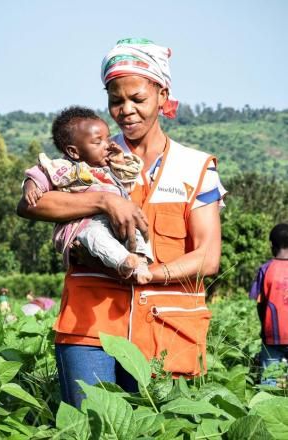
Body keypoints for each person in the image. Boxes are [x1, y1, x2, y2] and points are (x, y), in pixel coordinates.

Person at [17, 37, 225, 408]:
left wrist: (150, 274)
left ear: (163, 95)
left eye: (138, 99)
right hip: (89, 325)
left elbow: (208, 258)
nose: (125, 110)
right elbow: (32, 204)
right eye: (116, 100)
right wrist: (103, 200)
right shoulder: (90, 153)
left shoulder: (196, 168)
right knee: (90, 428)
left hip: (166, 328)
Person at [24, 106, 152, 283]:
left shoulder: (108, 167)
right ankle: (124, 262)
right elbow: (38, 174)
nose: (107, 145)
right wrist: (31, 187)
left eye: (107, 139)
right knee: (94, 235)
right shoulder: (63, 168)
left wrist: (120, 161)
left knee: (137, 226)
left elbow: (128, 180)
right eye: (98, 142)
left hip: (116, 221)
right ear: (73, 151)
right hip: (86, 224)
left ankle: (141, 262)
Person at [249, 223, 288, 386]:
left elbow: (259, 303)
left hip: (273, 335)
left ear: (272, 245)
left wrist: (264, 329)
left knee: (269, 382)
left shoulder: (265, 269)